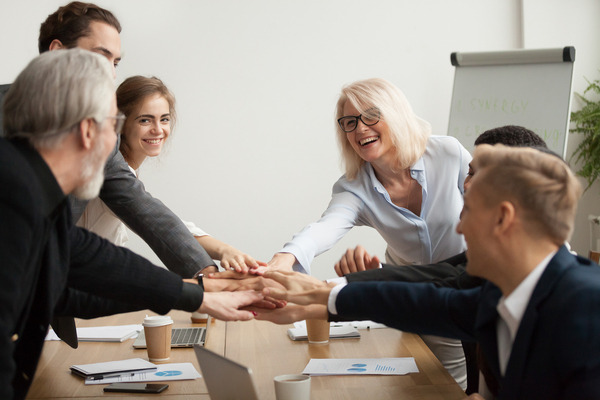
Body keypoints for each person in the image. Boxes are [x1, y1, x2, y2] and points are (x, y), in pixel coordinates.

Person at [0, 48, 264, 400]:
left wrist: (194, 291)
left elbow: (87, 268)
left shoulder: (38, 193)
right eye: (115, 125)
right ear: (87, 131)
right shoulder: (14, 195)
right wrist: (193, 290)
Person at [254, 145, 600, 399]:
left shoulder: (585, 308)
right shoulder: (501, 293)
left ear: (503, 218)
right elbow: (422, 302)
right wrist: (318, 297)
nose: (459, 230)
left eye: (469, 212)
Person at [258, 78, 471, 387]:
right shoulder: (354, 186)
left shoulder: (447, 153)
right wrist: (284, 257)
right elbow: (325, 228)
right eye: (350, 122)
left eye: (371, 116)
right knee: (418, 388)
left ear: (395, 115)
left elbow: (489, 201)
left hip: (466, 293)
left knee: (466, 387)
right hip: (409, 300)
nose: (360, 129)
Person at [77, 75, 259, 270]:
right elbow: (163, 226)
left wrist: (227, 250)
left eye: (164, 119)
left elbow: (169, 224)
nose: (158, 130)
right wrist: (222, 255)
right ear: (120, 123)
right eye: (145, 120)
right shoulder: (111, 176)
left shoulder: (125, 171)